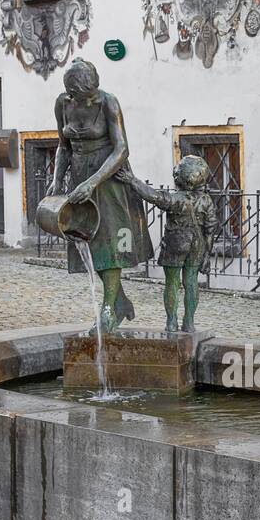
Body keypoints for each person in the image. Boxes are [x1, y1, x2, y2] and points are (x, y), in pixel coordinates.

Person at [48, 59, 152, 332]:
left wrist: (93, 183)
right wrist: (58, 179)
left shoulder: (109, 102)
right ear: (73, 92)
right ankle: (119, 301)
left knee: (111, 245)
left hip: (108, 180)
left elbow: (121, 149)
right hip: (80, 176)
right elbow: (63, 146)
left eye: (93, 92)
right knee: (88, 241)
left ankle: (108, 312)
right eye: (85, 95)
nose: (91, 98)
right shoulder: (63, 104)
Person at [119, 156, 216, 333]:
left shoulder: (176, 199)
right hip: (197, 243)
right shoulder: (206, 200)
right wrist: (207, 254)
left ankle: (171, 322)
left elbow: (154, 196)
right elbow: (210, 230)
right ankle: (189, 323)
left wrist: (132, 180)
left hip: (176, 241)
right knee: (191, 282)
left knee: (172, 282)